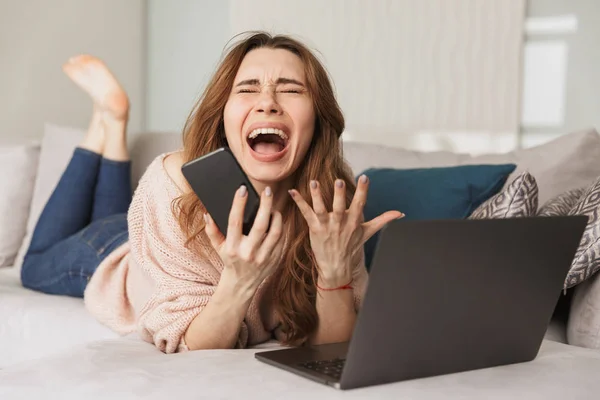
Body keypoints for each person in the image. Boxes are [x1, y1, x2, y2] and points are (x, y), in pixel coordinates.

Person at [20, 32, 403, 353]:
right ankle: (107, 123)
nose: (268, 103)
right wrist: (239, 280)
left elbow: (331, 347)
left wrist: (335, 272)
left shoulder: (332, 210)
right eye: (248, 88)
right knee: (33, 263)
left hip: (150, 233)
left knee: (110, 212)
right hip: (109, 253)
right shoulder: (173, 182)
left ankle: (113, 123)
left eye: (290, 90)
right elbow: (191, 347)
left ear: (318, 119)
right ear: (223, 113)